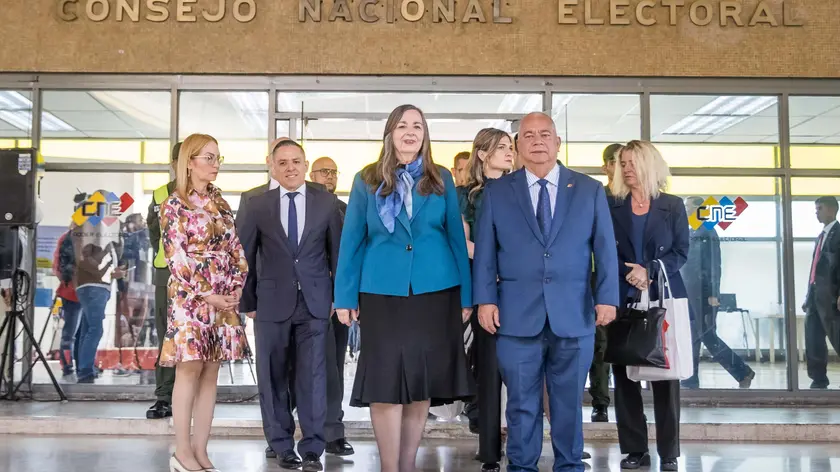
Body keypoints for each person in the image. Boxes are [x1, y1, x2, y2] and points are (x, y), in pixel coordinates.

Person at [473, 112, 618, 472]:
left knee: (568, 401)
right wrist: (485, 299)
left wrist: (607, 297)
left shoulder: (588, 189)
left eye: (545, 134)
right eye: (528, 136)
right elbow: (486, 252)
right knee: (521, 403)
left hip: (575, 314)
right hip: (516, 315)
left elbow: (605, 249)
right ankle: (521, 467)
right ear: (518, 145)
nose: (537, 141)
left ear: (557, 143)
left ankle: (570, 466)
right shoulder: (497, 192)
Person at [334, 104, 474, 472]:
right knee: (385, 380)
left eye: (417, 126)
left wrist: (468, 296)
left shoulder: (441, 178)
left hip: (436, 291)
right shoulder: (366, 180)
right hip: (382, 291)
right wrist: (345, 296)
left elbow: (457, 241)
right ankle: (389, 467)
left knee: (420, 380)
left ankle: (408, 465)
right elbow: (352, 240)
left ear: (425, 135)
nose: (410, 132)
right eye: (402, 126)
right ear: (390, 134)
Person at [237, 140, 353, 459]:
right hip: (270, 304)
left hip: (315, 304)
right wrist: (248, 303)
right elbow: (243, 255)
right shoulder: (256, 202)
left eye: (296, 161)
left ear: (305, 165)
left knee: (313, 378)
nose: (291, 168)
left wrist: (339, 298)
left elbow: (339, 255)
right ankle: (281, 445)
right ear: (272, 167)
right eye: (283, 162)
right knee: (273, 377)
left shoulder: (326, 202)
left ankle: (313, 448)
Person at [160, 133, 250, 472]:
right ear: (190, 161)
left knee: (212, 371)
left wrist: (237, 286)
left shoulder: (222, 203)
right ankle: (182, 451)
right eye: (208, 158)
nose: (215, 164)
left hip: (224, 296)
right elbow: (176, 258)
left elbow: (236, 249)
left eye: (217, 158)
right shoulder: (174, 204)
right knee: (189, 369)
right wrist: (205, 292)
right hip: (191, 297)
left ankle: (201, 450)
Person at [607, 140, 688, 472]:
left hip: (662, 297)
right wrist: (629, 275)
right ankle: (635, 449)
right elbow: (603, 249)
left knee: (666, 379)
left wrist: (650, 270)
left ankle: (668, 452)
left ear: (649, 165)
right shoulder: (611, 205)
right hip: (623, 299)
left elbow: (681, 252)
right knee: (624, 376)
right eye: (622, 163)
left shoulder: (672, 205)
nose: (626, 169)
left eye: (632, 163)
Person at [457, 128, 514, 472]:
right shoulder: (463, 196)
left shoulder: (519, 188)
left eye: (511, 147)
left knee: (521, 372)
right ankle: (489, 449)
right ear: (482, 153)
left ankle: (521, 444)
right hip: (484, 287)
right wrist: (491, 263)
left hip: (519, 287)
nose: (510, 152)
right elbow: (460, 241)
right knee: (488, 370)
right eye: (502, 148)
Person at [680, 196, 755, 389]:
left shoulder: (708, 232)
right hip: (691, 293)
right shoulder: (692, 232)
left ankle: (694, 377)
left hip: (703, 296)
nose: (686, 210)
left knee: (704, 335)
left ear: (699, 210)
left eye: (689, 207)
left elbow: (714, 265)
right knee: (701, 336)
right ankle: (740, 372)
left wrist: (713, 293)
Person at [72, 190, 125, 384]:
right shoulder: (91, 229)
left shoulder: (86, 227)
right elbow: (88, 260)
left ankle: (85, 367)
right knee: (94, 328)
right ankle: (85, 370)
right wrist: (111, 272)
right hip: (94, 284)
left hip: (92, 284)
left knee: (87, 328)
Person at [587, 143, 623, 423]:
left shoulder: (638, 198)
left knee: (627, 344)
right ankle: (601, 401)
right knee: (599, 344)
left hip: (630, 281)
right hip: (596, 278)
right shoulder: (597, 195)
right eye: (618, 162)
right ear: (606, 166)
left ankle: (626, 402)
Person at [146, 142, 180, 419]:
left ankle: (190, 395)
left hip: (199, 278)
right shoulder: (159, 194)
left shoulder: (207, 195)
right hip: (165, 273)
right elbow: (153, 233)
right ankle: (164, 397)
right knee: (166, 337)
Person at [803, 196, 840, 389]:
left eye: (819, 208)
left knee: (837, 337)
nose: (816, 212)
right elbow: (815, 269)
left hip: (831, 297)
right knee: (813, 338)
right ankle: (818, 379)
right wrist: (808, 295)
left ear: (832, 210)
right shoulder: (821, 236)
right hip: (815, 297)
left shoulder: (839, 234)